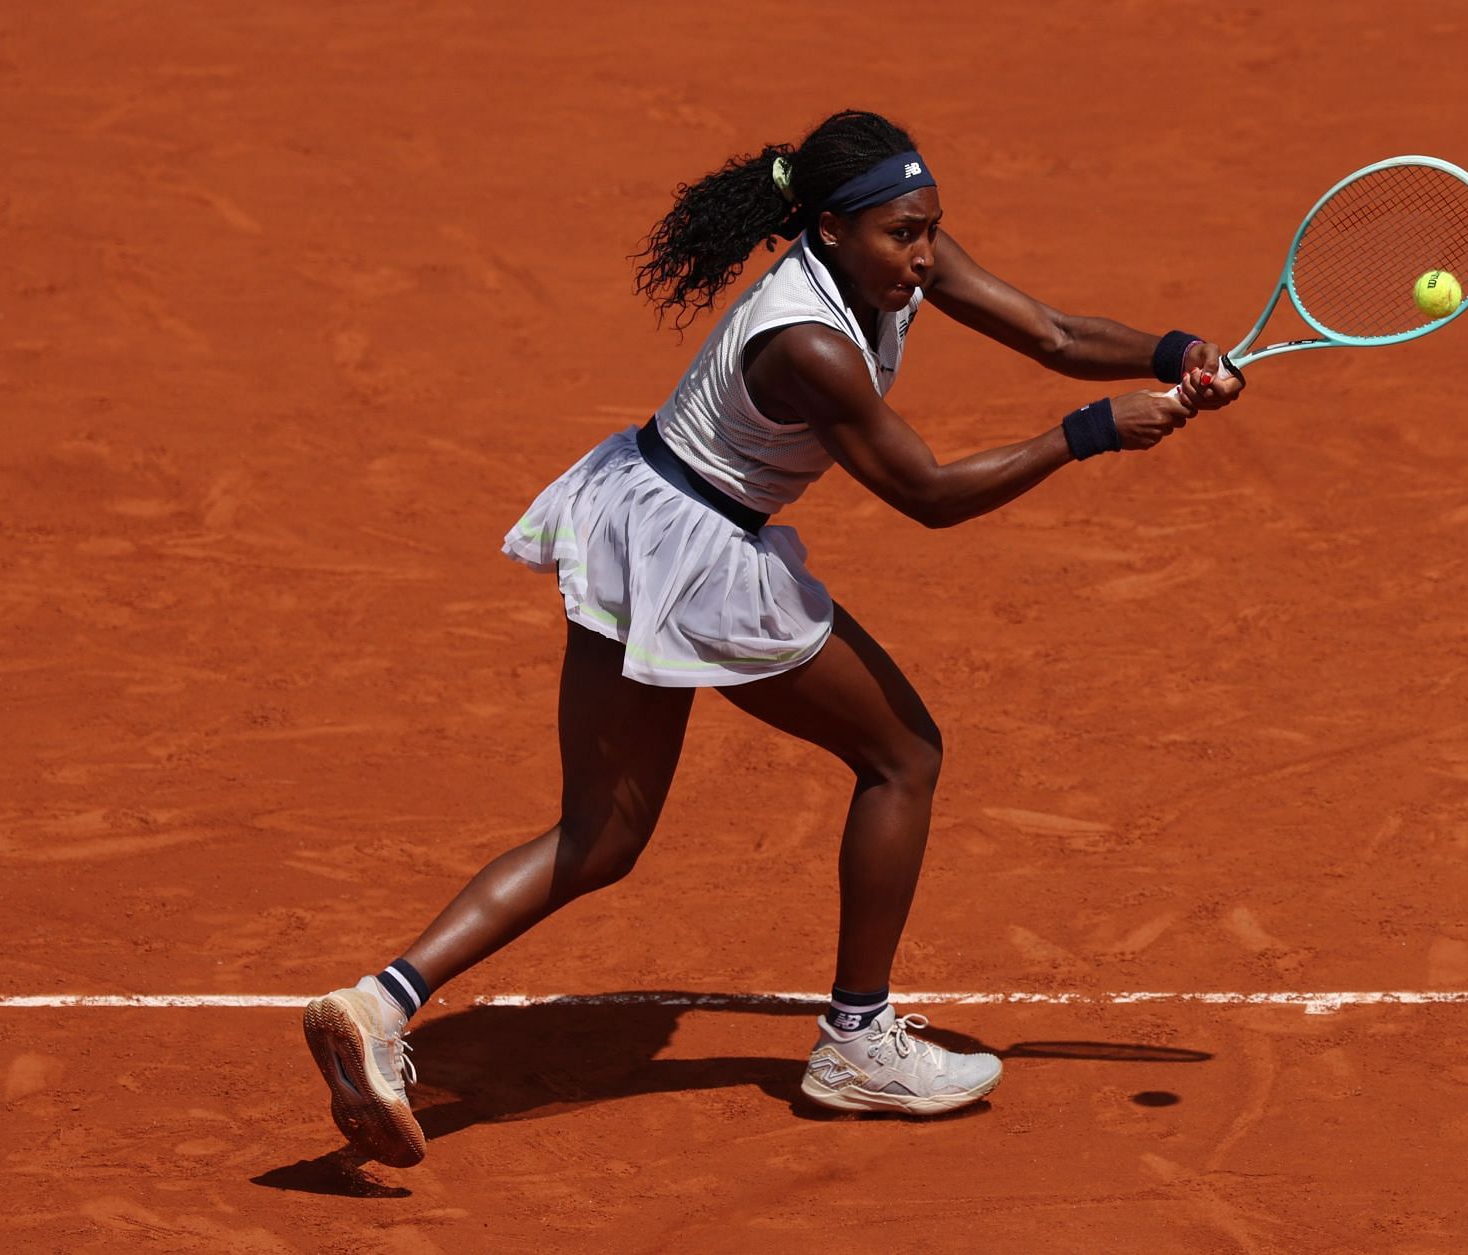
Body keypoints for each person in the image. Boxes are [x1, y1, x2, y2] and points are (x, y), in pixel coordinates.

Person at [302, 108, 1243, 1166]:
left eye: (930, 227)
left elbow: (1053, 334)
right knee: (903, 755)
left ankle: (376, 1005)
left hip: (637, 510)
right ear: (833, 231)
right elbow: (926, 493)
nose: (924, 253)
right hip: (697, 552)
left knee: (601, 837)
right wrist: (1089, 434)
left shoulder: (891, 249)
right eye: (902, 234)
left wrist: (1175, 351)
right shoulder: (808, 345)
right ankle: (855, 1041)